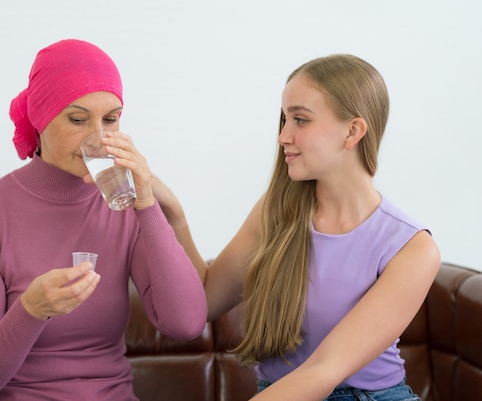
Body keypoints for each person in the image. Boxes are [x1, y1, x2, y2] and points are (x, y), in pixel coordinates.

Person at [152, 54, 440, 400]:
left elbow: (325, 369)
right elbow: (202, 303)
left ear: (353, 131)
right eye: (284, 119)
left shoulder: (412, 248)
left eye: (300, 120)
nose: (283, 136)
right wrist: (175, 216)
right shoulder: (273, 214)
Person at [0, 39, 207, 401]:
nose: (99, 138)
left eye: (111, 119)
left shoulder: (124, 203)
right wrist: (31, 310)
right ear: (41, 117)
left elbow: (187, 324)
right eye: (77, 119)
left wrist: (146, 203)